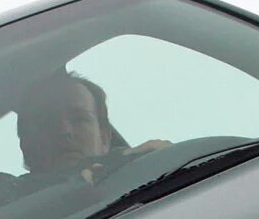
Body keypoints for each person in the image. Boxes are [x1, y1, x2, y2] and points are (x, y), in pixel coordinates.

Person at [14, 71, 168, 183]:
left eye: (79, 120)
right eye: (49, 122)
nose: (65, 131)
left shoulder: (142, 180)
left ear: (105, 138)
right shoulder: (4, 196)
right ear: (25, 145)